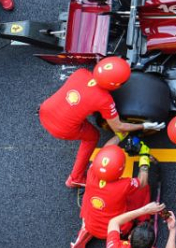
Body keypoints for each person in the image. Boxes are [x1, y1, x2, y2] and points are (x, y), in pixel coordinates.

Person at [38, 57, 165, 188]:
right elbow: (118, 127)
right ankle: (75, 178)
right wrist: (143, 125)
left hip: (46, 110)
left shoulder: (81, 73)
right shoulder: (104, 100)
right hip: (62, 128)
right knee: (92, 137)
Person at [71, 143, 152, 248]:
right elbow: (142, 181)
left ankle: (84, 232)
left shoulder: (91, 172)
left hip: (90, 222)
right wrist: (144, 158)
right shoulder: (124, 184)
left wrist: (120, 134)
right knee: (143, 190)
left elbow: (104, 151)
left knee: (90, 202)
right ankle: (142, 222)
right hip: (115, 228)